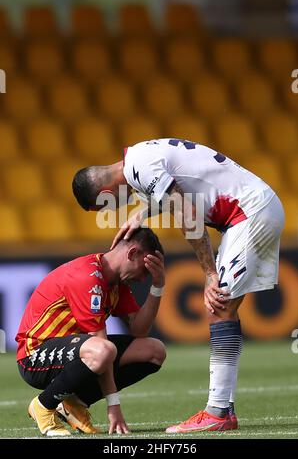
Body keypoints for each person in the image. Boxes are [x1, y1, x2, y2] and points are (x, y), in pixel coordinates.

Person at [72, 138, 285, 433]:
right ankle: (223, 410)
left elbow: (188, 214)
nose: (114, 208)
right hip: (254, 208)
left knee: (218, 304)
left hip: (247, 214)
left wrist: (209, 272)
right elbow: (181, 187)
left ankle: (219, 411)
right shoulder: (139, 156)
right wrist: (142, 213)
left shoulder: (141, 168)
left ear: (106, 193)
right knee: (225, 308)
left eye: (105, 205)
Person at [16, 228, 166, 437]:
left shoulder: (116, 282)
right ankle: (43, 405)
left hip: (79, 351)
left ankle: (75, 403)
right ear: (132, 254)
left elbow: (139, 330)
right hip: (34, 356)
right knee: (103, 350)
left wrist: (158, 286)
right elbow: (100, 344)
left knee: (154, 350)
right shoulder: (87, 277)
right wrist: (114, 406)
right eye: (144, 270)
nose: (143, 279)